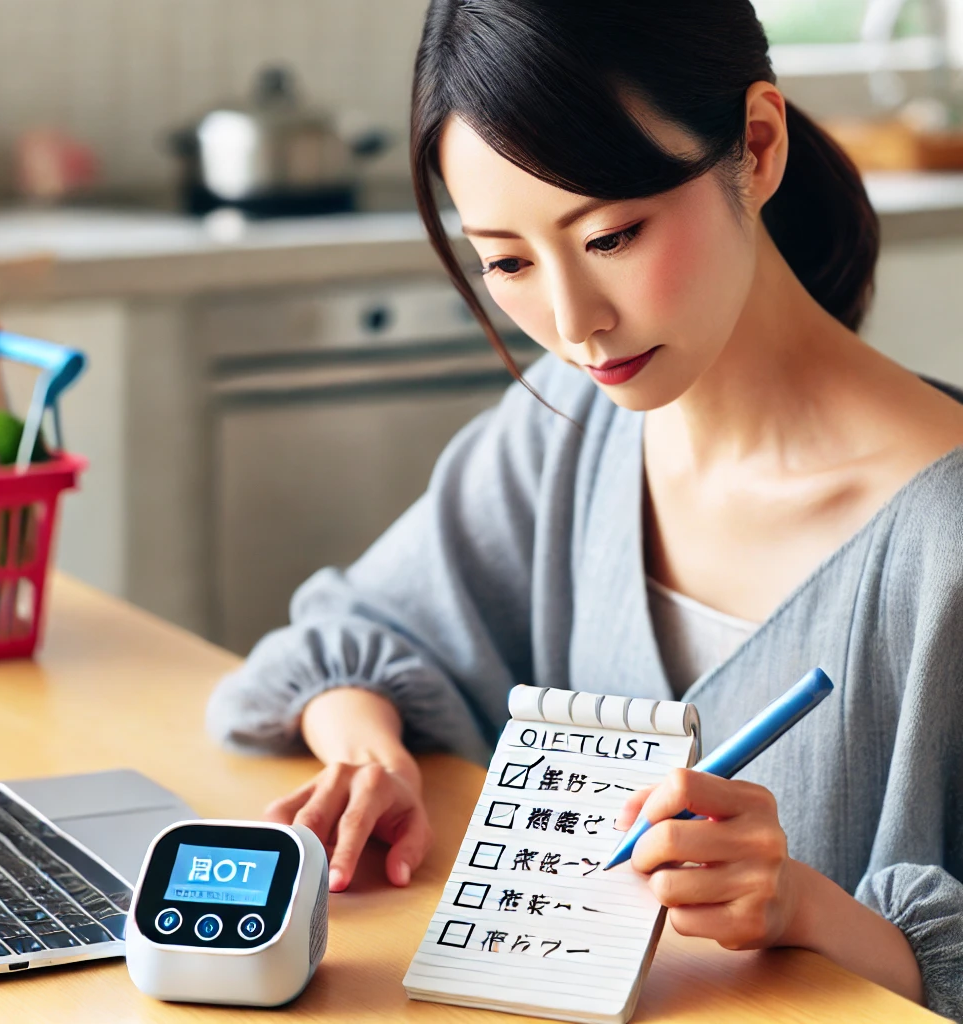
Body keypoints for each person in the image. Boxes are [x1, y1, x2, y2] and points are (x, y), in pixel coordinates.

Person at [206, 1, 963, 1016]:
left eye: (610, 234)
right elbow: (355, 633)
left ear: (757, 146)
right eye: (508, 261)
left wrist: (803, 910)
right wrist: (364, 744)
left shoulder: (941, 540)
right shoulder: (567, 425)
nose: (573, 325)